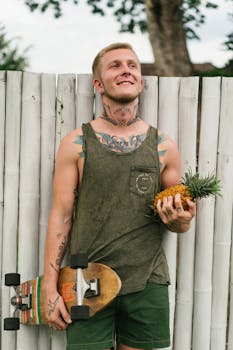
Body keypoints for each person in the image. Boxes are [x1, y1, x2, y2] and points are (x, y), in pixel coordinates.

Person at [42, 42, 196, 350]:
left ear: (140, 81)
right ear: (98, 83)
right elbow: (61, 216)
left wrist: (182, 220)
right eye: (115, 65)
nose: (126, 70)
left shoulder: (163, 145)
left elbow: (178, 221)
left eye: (132, 65)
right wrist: (50, 287)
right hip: (86, 281)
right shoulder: (76, 143)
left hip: (147, 280)